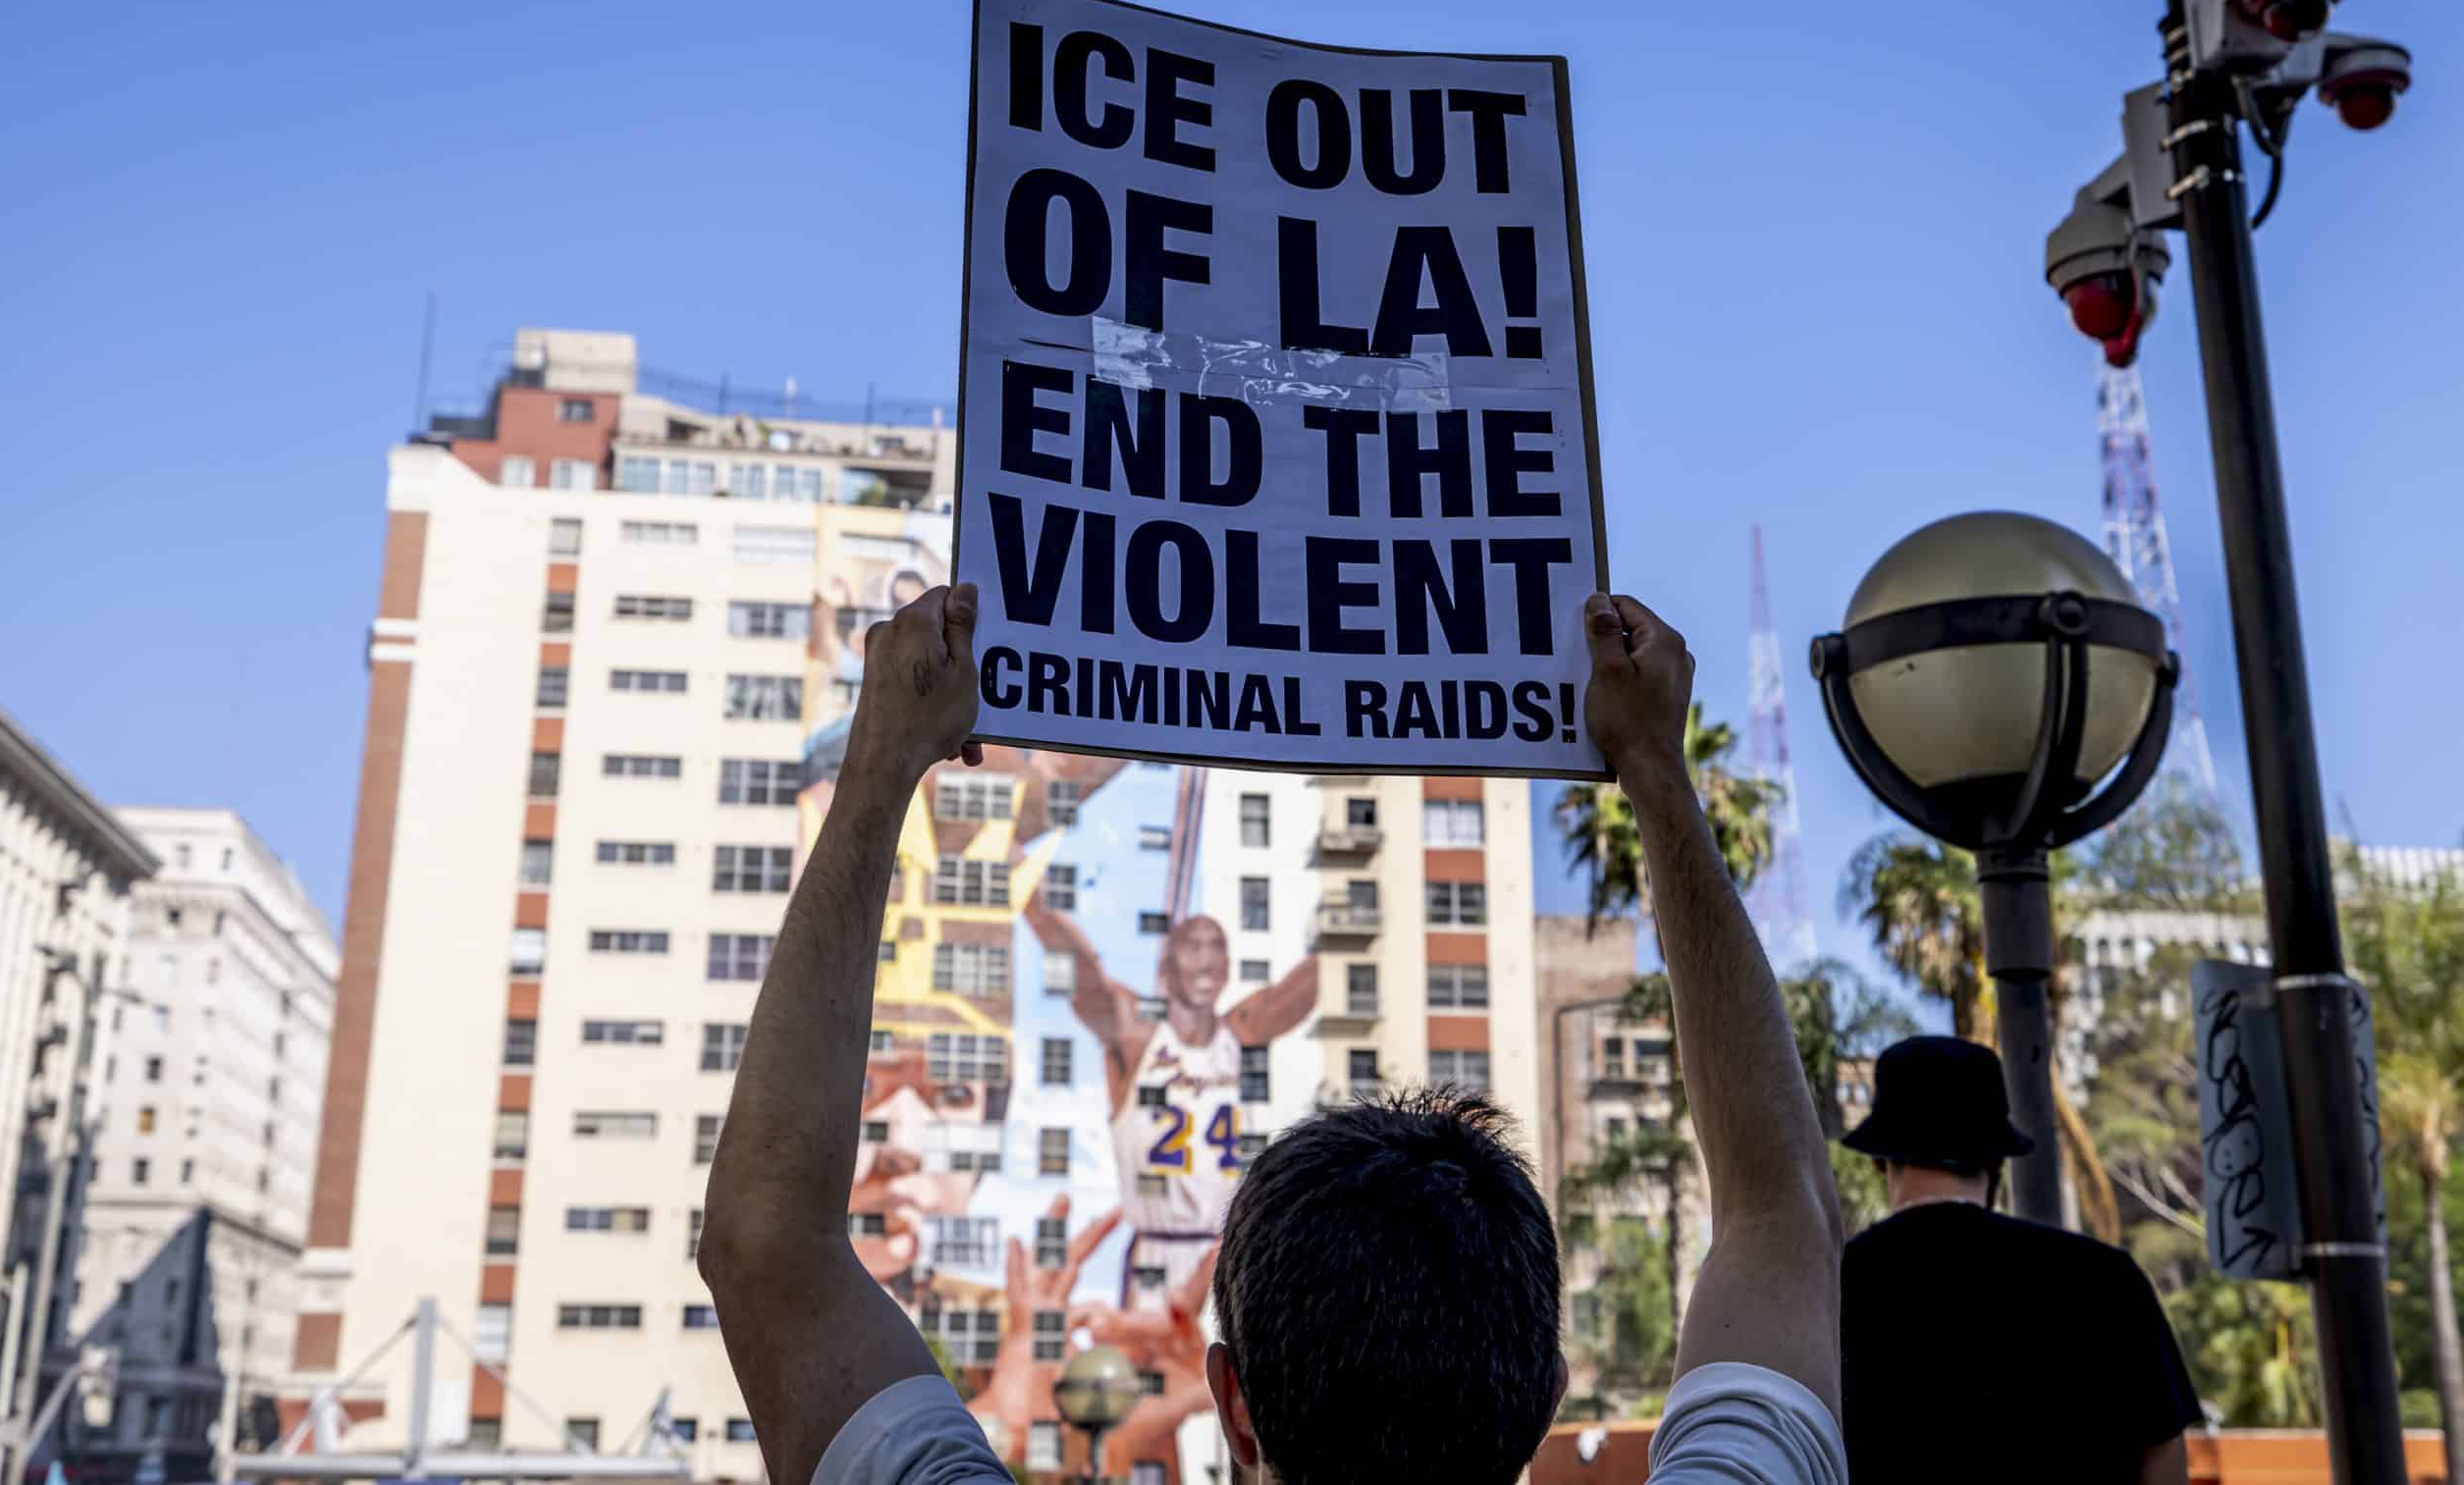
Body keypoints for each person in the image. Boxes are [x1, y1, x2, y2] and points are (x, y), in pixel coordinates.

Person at [701, 584, 1848, 1485]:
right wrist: (1655, 769)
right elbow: (1781, 1209)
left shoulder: (1221, 1022)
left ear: (1231, 1405)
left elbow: (764, 1241)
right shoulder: (1130, 1021)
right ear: (1547, 1399)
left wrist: (879, 766)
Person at [1838, 1035, 2200, 1484]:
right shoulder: (2106, 1279)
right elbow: (2163, 1454)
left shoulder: (1833, 1288)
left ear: (1880, 1160)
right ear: (1996, 1161)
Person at [1021, 898, 1315, 1307]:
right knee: (1160, 1366)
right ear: (1166, 965)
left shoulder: (1241, 1032)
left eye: (1217, 947)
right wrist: (1036, 906)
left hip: (1227, 1249)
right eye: (1193, 947)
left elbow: (1292, 998)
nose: (1207, 960)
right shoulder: (1137, 1036)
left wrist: (1336, 938)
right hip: (1159, 1252)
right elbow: (1086, 976)